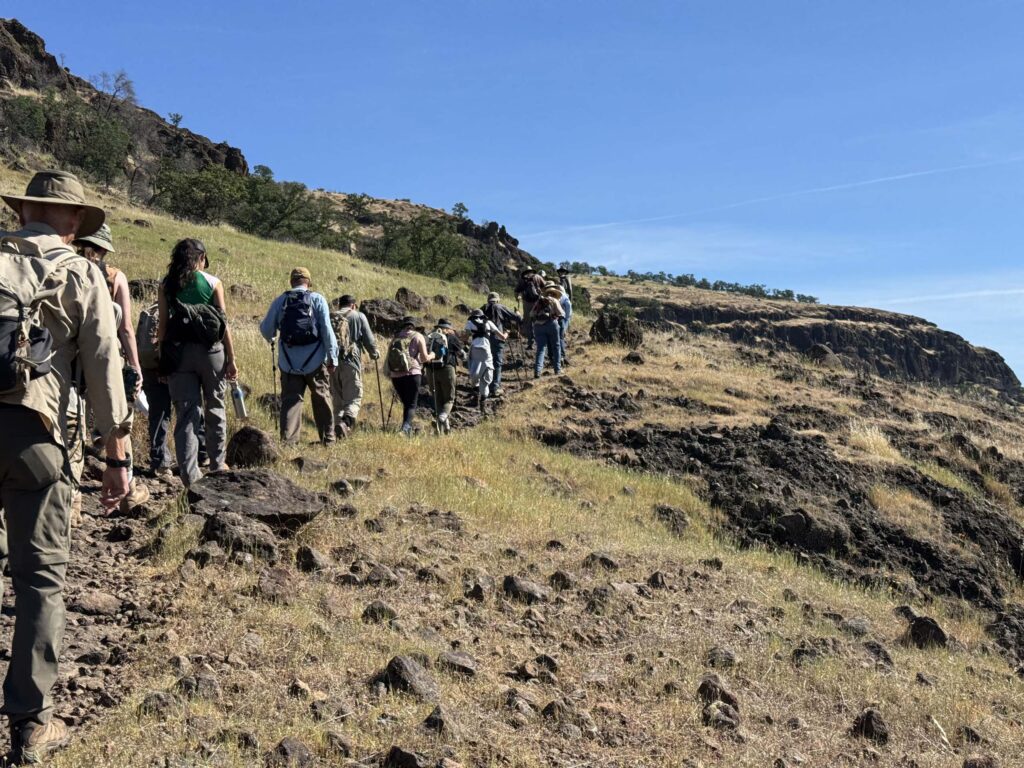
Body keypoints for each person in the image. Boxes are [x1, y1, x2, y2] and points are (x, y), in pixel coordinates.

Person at [0, 169, 130, 761]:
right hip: (36, 436)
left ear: (23, 210)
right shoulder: (82, 272)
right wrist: (115, 457)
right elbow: (104, 370)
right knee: (39, 579)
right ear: (74, 221)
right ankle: (30, 725)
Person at [71, 223, 149, 513]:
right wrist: (135, 365)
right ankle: (126, 490)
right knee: (118, 424)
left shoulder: (69, 269)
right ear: (105, 248)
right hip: (107, 360)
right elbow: (126, 328)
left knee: (75, 425)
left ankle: (73, 498)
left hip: (71, 361)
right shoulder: (115, 276)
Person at [158, 238, 237, 486]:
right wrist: (232, 359)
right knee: (215, 406)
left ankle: (189, 475)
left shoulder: (166, 284)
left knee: (186, 414)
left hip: (179, 355)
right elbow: (223, 325)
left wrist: (163, 361)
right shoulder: (213, 283)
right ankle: (217, 464)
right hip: (211, 352)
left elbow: (162, 327)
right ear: (201, 258)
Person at [260, 268, 337, 445]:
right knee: (321, 398)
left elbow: (266, 330)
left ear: (291, 281)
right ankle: (328, 440)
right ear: (308, 282)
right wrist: (333, 357)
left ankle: (288, 442)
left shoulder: (281, 300)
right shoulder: (317, 299)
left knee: (291, 401)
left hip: (288, 362)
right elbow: (326, 330)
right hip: (315, 361)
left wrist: (273, 336)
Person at [330, 295, 378, 437]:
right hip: (351, 361)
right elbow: (369, 340)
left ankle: (336, 432)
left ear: (340, 305)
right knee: (354, 398)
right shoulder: (358, 316)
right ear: (353, 305)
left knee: (337, 401)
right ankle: (346, 423)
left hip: (331, 363)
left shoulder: (330, 316)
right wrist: (374, 353)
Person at [383, 316, 432, 436]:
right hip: (412, 373)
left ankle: (406, 428)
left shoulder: (396, 337)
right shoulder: (418, 336)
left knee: (406, 402)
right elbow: (425, 358)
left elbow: (389, 355)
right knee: (412, 404)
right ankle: (405, 429)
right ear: (414, 326)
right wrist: (433, 355)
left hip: (396, 375)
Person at [423, 318, 463, 434]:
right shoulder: (451, 337)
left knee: (437, 400)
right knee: (449, 399)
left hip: (431, 371)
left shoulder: (430, 336)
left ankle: (444, 429)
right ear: (448, 328)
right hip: (447, 369)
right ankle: (442, 418)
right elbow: (461, 354)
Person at [465, 308, 507, 413]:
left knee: (474, 370)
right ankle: (483, 401)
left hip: (475, 349)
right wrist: (507, 333)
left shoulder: (469, 323)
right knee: (487, 373)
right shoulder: (488, 322)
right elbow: (502, 337)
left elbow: (464, 338)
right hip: (486, 351)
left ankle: (475, 395)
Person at [480, 291, 521, 398]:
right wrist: (518, 314)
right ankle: (495, 387)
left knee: (486, 361)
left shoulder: (483, 308)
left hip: (483, 339)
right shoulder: (500, 307)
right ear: (497, 300)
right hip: (497, 337)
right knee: (497, 363)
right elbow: (516, 318)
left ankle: (485, 386)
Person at [531, 282, 565, 378]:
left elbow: (531, 314)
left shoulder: (539, 301)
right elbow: (561, 313)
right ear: (554, 293)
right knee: (556, 347)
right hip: (551, 324)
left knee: (541, 349)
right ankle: (557, 369)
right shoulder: (554, 300)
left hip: (538, 326)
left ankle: (537, 371)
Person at [514, 267, 544, 350]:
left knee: (528, 323)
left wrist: (518, 298)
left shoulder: (522, 279)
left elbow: (516, 291)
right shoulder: (538, 277)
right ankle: (540, 342)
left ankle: (530, 343)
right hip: (537, 302)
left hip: (527, 303)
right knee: (538, 321)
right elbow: (545, 287)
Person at [558, 287, 573, 366]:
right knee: (561, 338)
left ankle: (558, 356)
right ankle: (562, 356)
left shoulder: (557, 297)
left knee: (558, 338)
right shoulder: (565, 298)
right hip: (563, 319)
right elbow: (569, 310)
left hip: (556, 319)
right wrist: (567, 318)